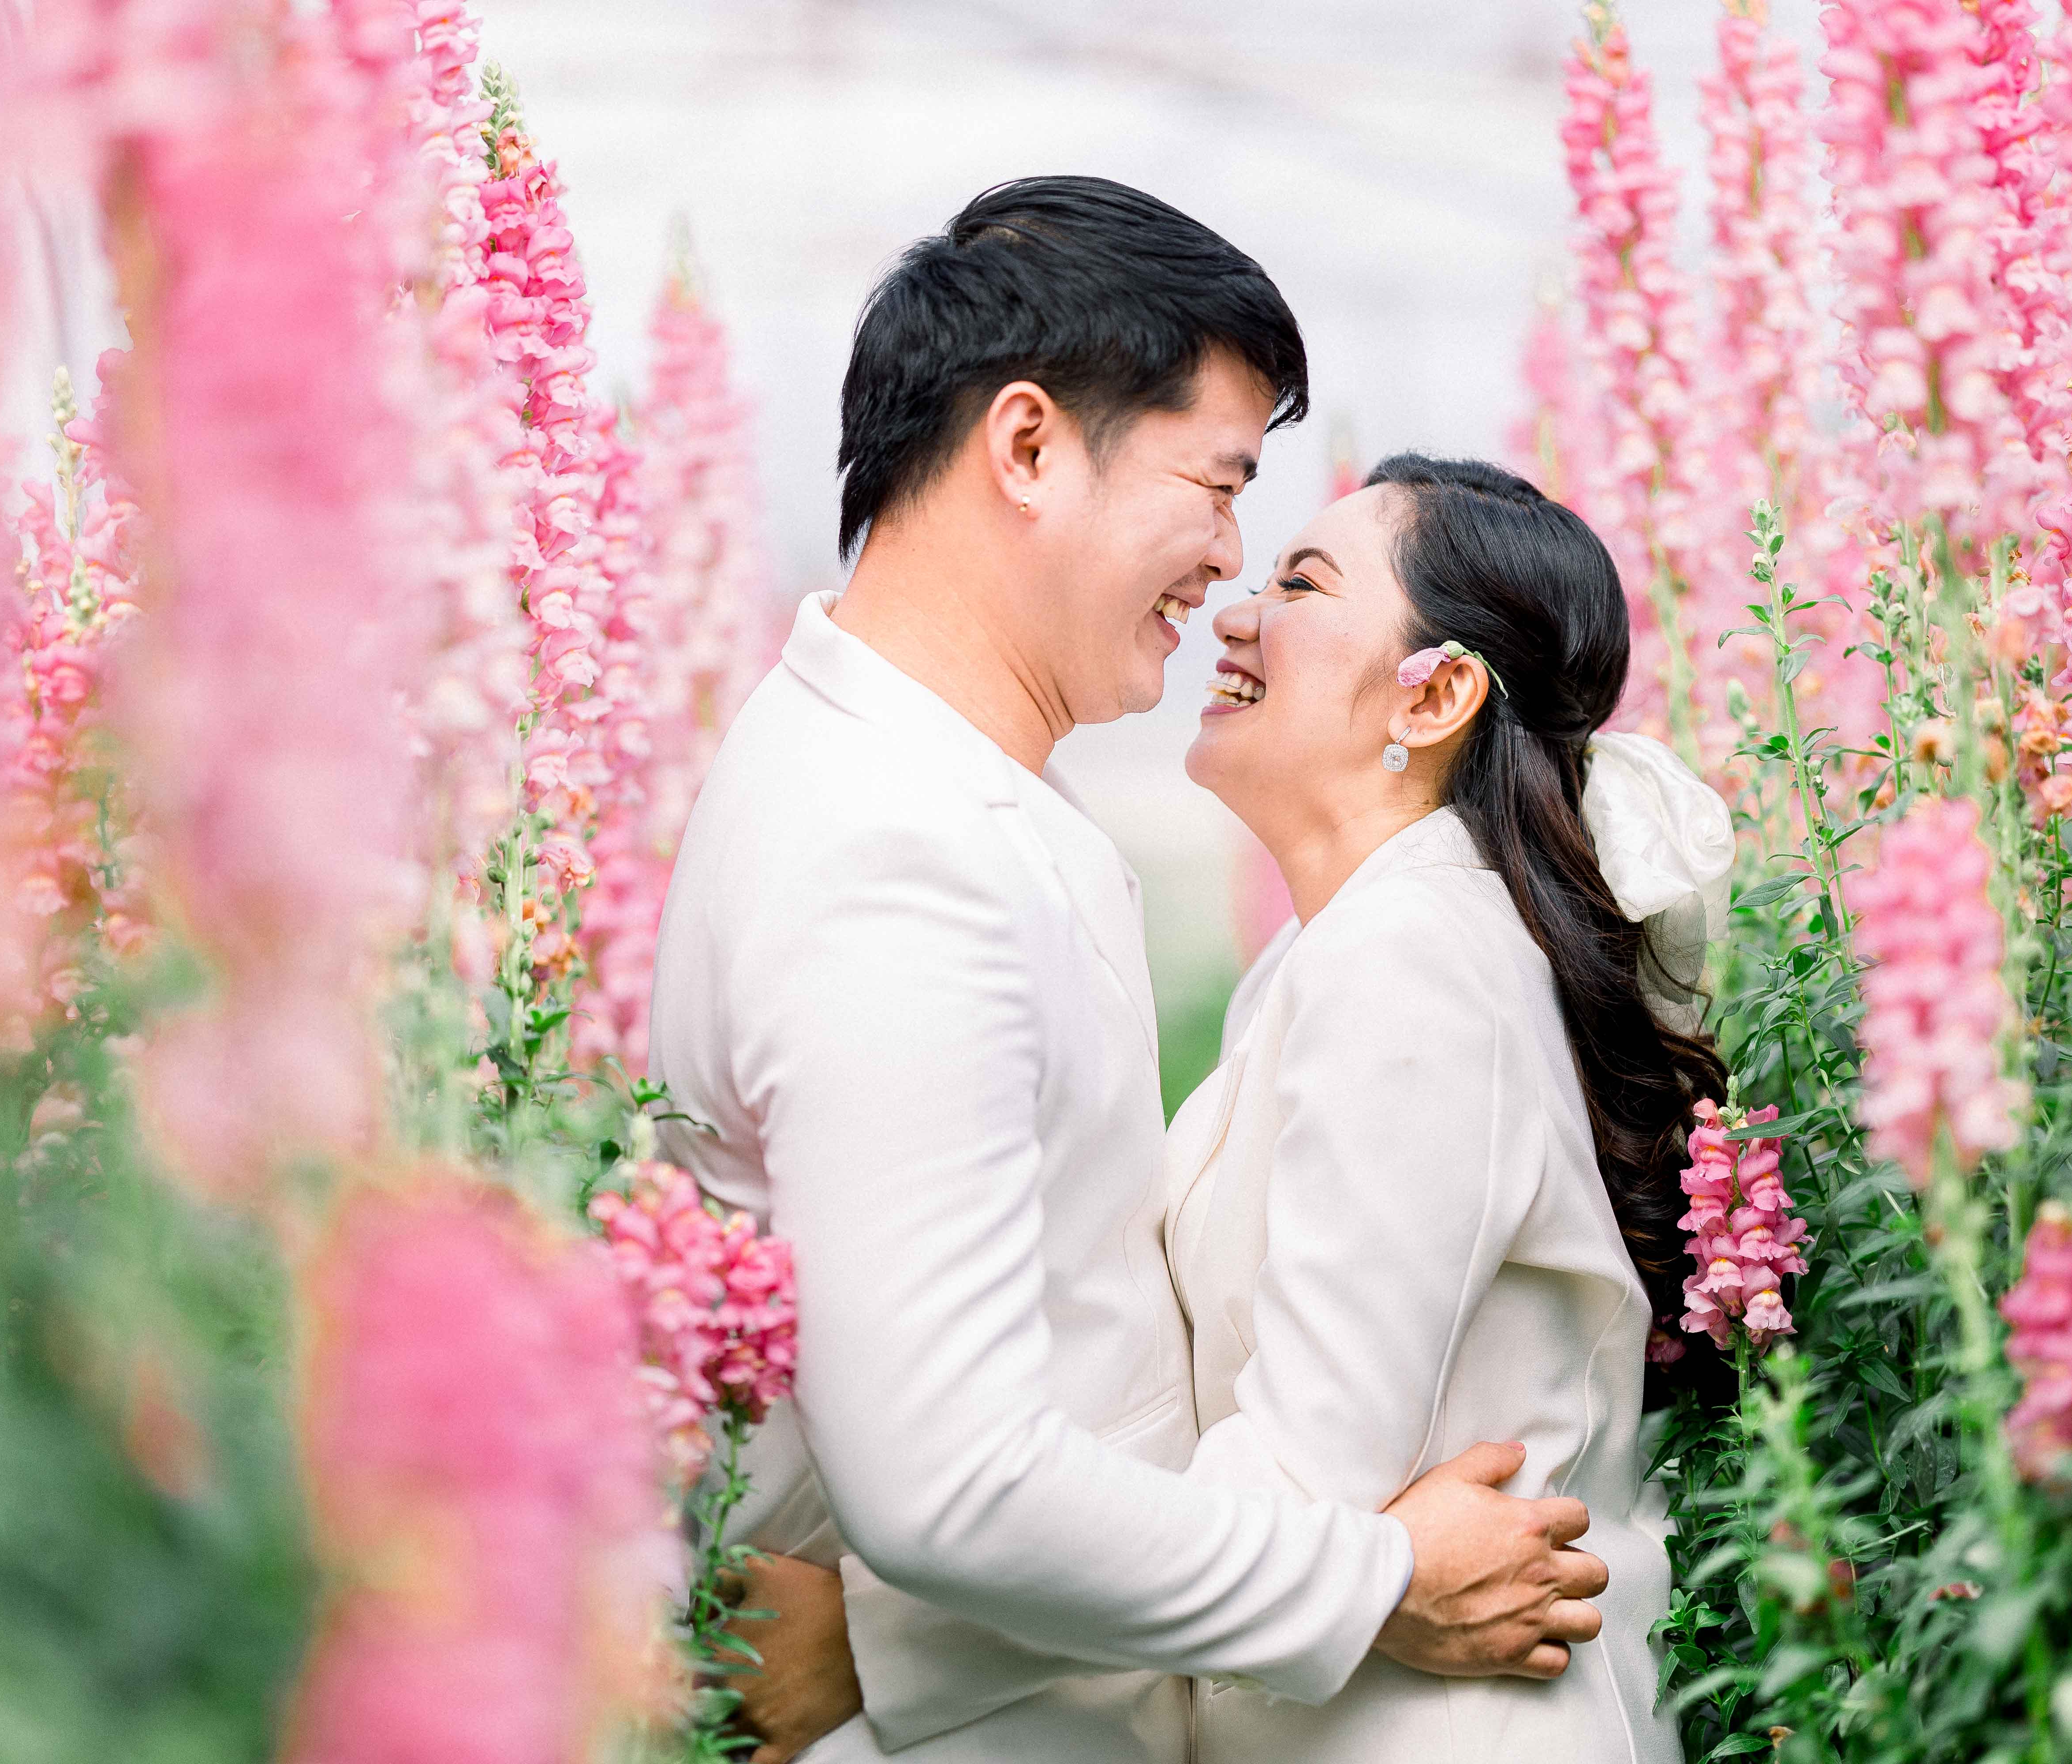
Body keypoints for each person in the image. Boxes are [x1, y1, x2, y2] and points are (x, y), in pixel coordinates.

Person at [645, 178, 1611, 1764]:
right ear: (1028, 449)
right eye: (1218, 485)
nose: (1227, 563)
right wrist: (1376, 1580)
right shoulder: (894, 855)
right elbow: (951, 1485)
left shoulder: (949, 794)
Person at [1168, 453, 1732, 1760]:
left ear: (1433, 695)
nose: (1236, 614)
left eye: (1301, 586)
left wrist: (956, 1592)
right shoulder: (1347, 949)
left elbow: (1308, 1474)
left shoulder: (1411, 959)